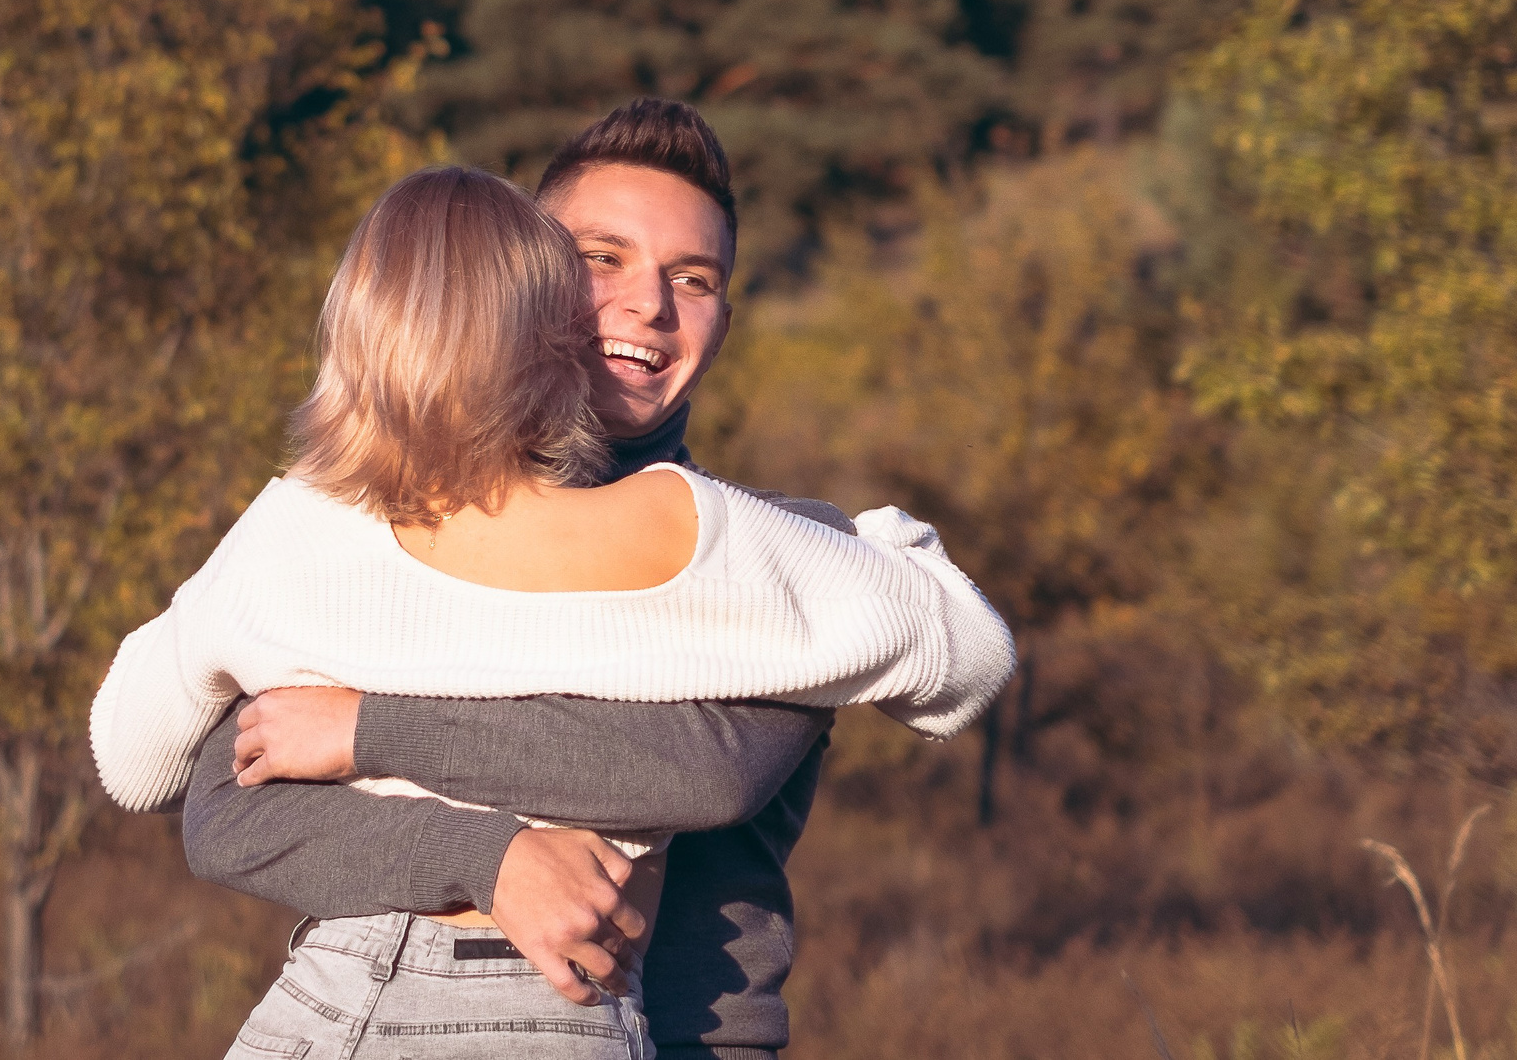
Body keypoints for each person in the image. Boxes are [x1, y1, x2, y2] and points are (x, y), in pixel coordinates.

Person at [89, 145, 1014, 1057]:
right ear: (526, 290)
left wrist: (369, 728)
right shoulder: (333, 525)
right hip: (354, 985)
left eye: (692, 278)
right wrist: (490, 856)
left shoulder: (764, 553)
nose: (648, 303)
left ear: (725, 318)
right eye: (601, 258)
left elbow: (704, 771)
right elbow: (228, 810)